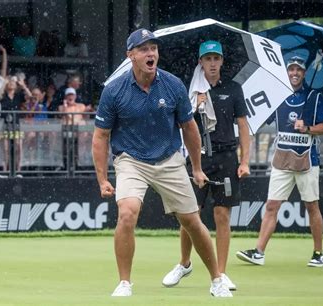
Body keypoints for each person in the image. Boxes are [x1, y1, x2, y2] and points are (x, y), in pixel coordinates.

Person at [92, 28, 232, 298]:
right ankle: (124, 283)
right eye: (144, 49)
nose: (151, 53)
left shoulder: (173, 85)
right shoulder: (113, 91)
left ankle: (217, 280)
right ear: (130, 55)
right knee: (127, 213)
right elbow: (100, 136)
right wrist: (102, 179)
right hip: (130, 159)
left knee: (191, 221)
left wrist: (197, 167)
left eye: (153, 48)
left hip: (169, 158)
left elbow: (189, 128)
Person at [162, 40, 250, 291]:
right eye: (207, 59)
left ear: (222, 61)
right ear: (200, 62)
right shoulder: (188, 91)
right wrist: (195, 106)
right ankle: (184, 263)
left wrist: (244, 161)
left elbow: (243, 126)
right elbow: (180, 125)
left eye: (216, 58)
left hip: (226, 159)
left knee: (222, 215)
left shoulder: (233, 89)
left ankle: (220, 274)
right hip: (197, 158)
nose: (212, 63)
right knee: (190, 215)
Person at [236, 56, 323, 268]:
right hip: (281, 160)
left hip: (307, 159)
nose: (294, 73)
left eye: (298, 70)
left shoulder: (314, 97)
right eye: (291, 70)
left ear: (305, 73)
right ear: (286, 73)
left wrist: (306, 128)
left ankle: (318, 253)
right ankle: (259, 252)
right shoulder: (278, 96)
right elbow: (259, 116)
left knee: (312, 206)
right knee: (271, 206)